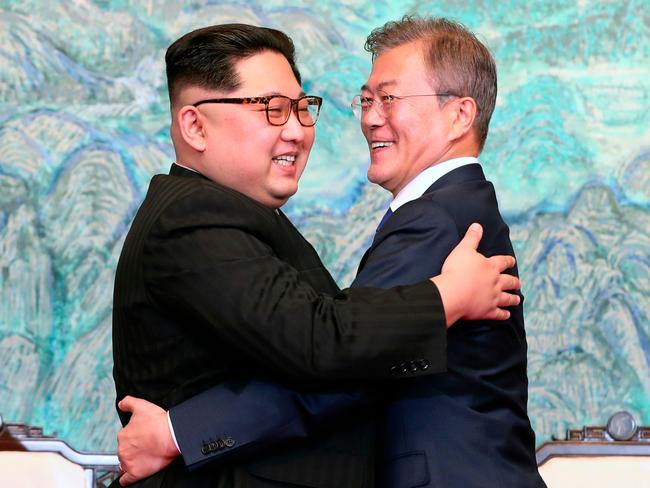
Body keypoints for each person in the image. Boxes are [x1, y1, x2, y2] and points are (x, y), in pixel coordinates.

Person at [112, 22, 522, 487]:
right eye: (271, 109)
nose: (297, 130)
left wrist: (177, 433)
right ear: (195, 126)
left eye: (300, 109)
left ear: (459, 115)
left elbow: (340, 358)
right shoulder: (195, 214)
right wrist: (447, 296)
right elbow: (331, 347)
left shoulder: (440, 219)